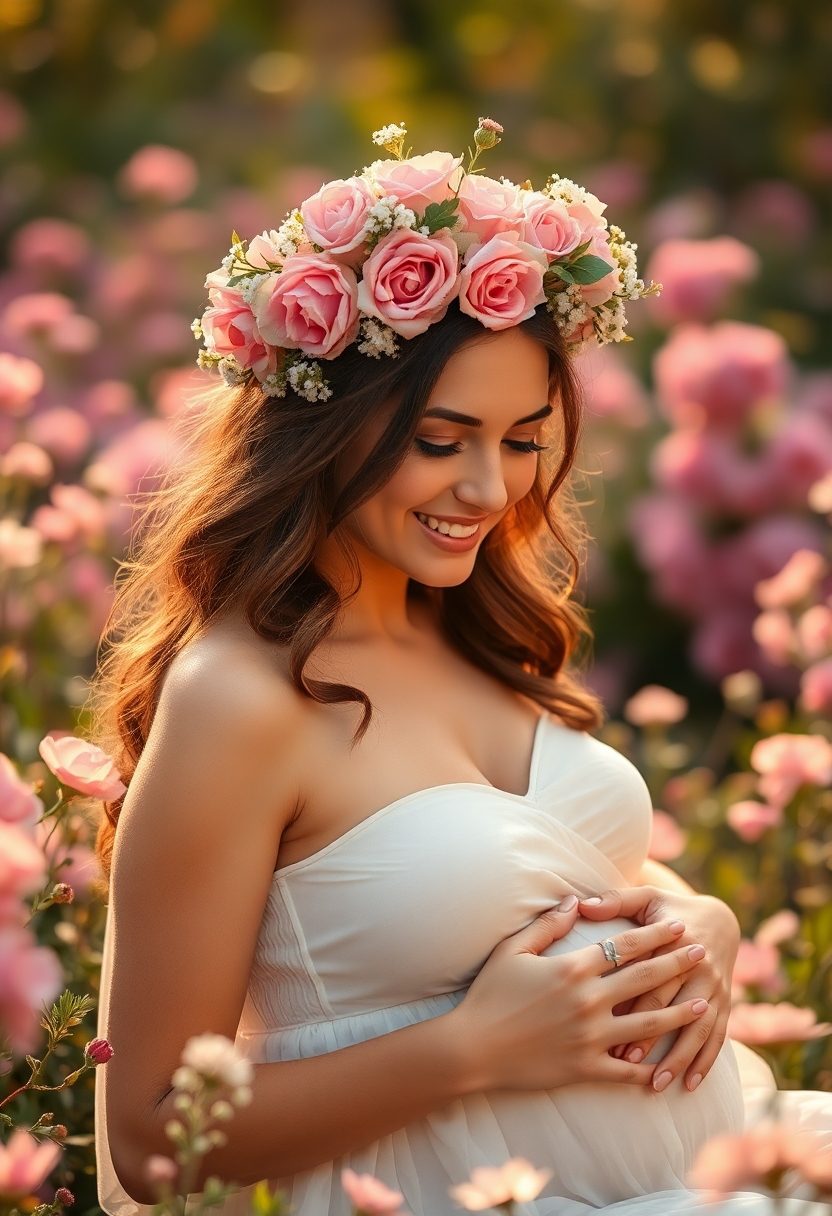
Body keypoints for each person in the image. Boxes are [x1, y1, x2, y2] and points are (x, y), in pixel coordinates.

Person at [91, 120, 831, 1216]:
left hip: (718, 1163)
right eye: (441, 440)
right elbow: (152, 1138)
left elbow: (564, 881)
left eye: (522, 440)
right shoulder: (241, 697)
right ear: (322, 427)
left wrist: (702, 922)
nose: (488, 490)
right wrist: (468, 1050)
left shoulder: (473, 631)